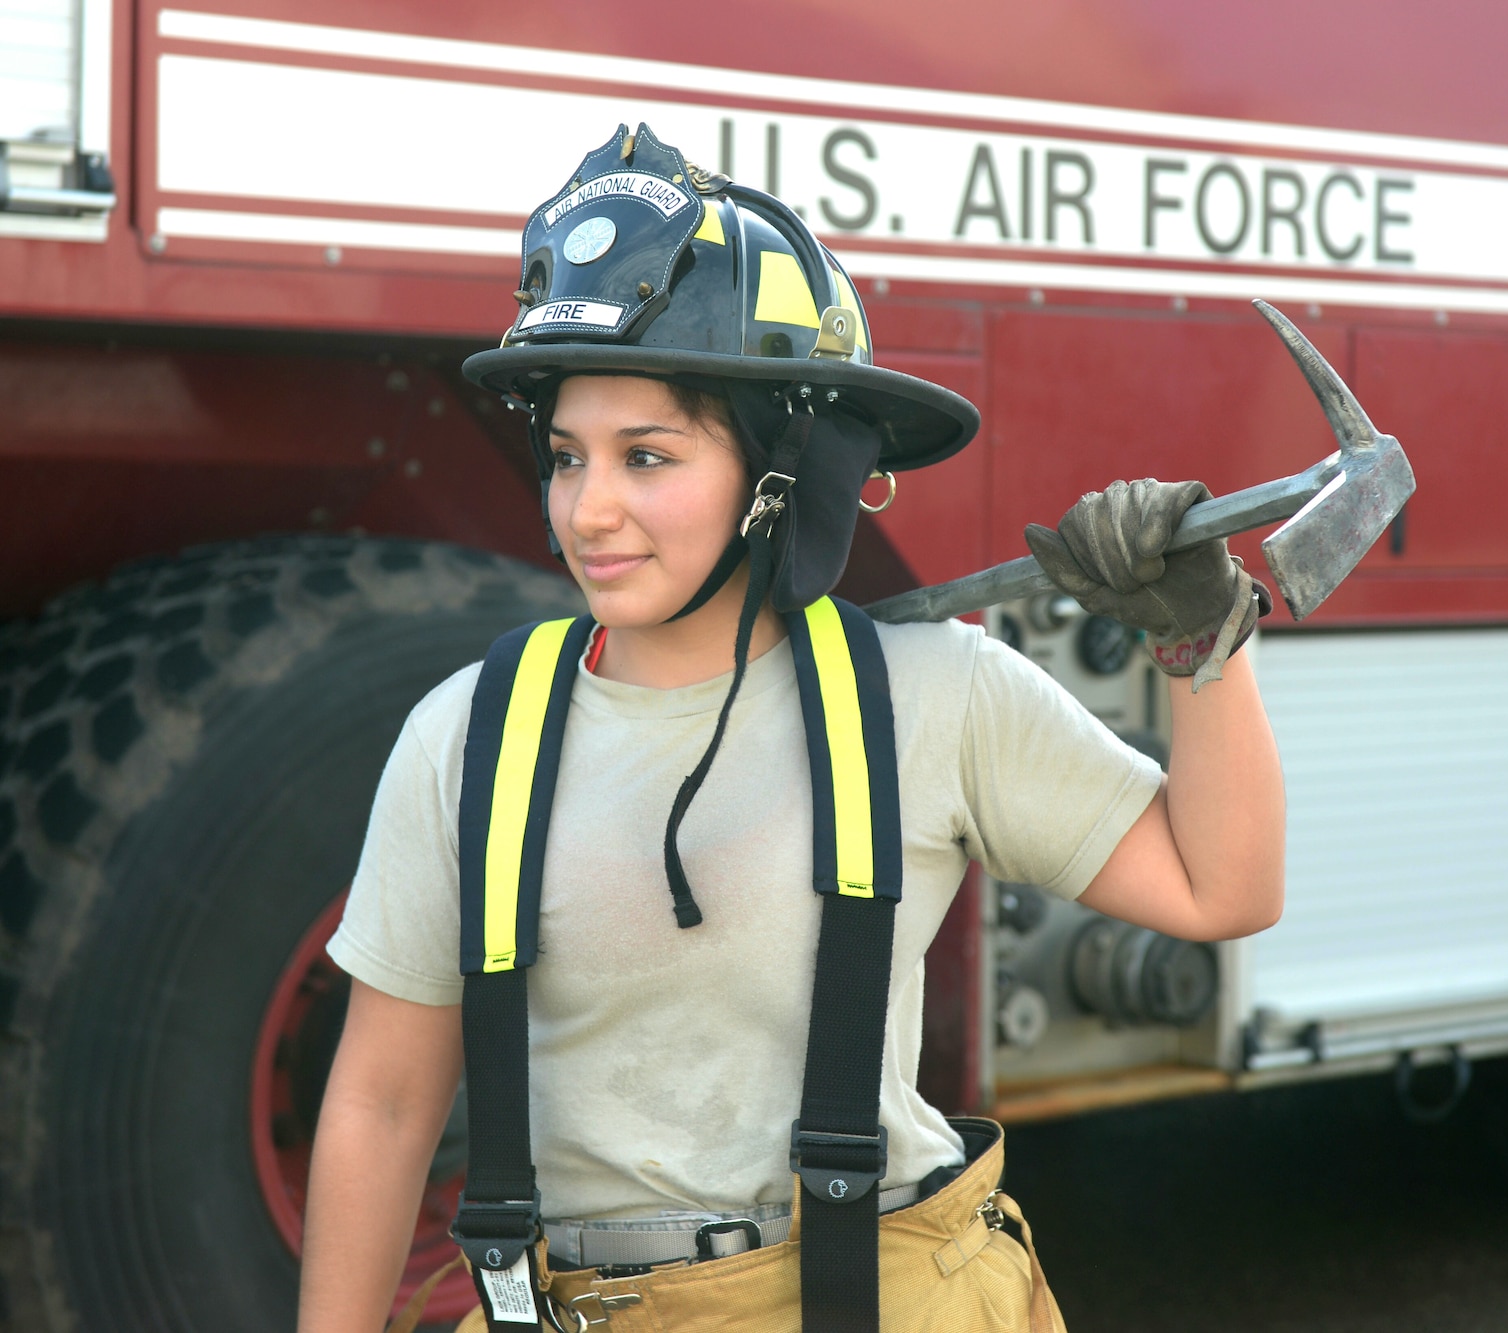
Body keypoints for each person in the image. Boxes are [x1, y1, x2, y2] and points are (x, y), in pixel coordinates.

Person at [298, 125, 1283, 1333]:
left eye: (646, 456)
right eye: (565, 457)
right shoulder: (468, 737)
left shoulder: (934, 695)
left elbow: (1221, 888)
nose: (587, 509)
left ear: (783, 471)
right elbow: (384, 1107)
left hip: (889, 1295)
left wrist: (1200, 639)